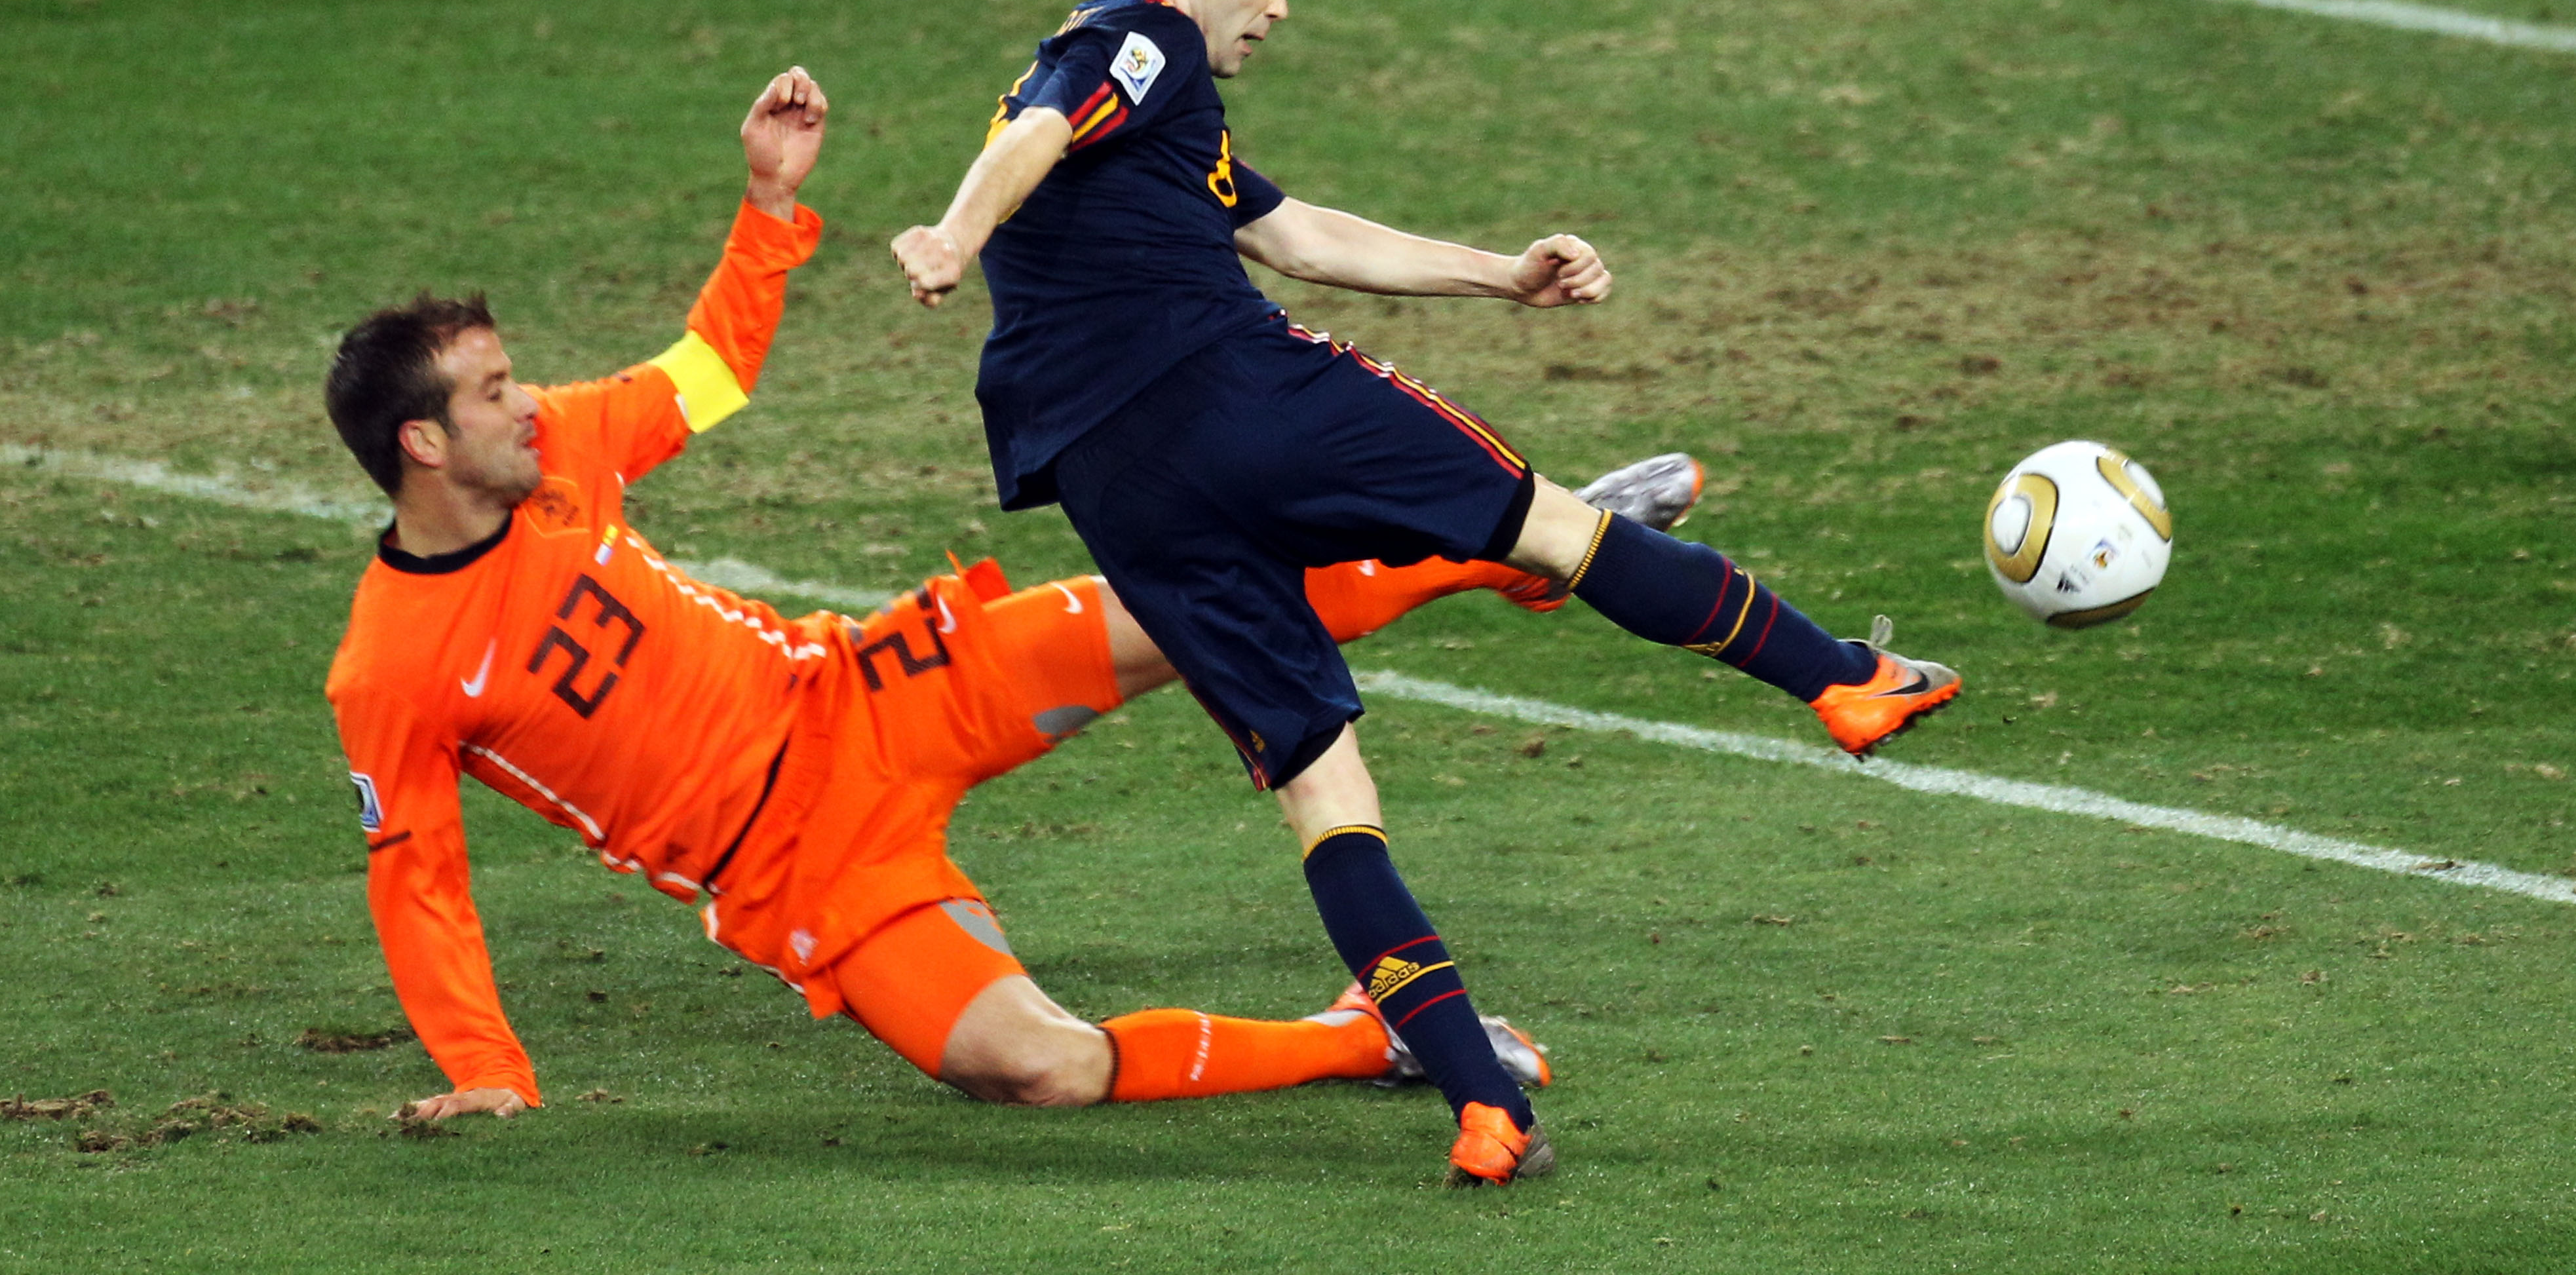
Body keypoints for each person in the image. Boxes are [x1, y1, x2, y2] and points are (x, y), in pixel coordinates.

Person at [321, 67, 1700, 1124]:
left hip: (867, 691)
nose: (526, 405)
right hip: (804, 872)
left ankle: (1517, 541)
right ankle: (1366, 1034)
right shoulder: (388, 668)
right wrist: (489, 1070)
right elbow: (419, 879)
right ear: (423, 446)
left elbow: (706, 376)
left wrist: (769, 208)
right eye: (493, 393)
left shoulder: (562, 451)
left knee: (1189, 603)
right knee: (1033, 1068)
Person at [888, 0, 1965, 1185]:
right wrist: (950, 235)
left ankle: (1481, 1106)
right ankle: (1842, 679)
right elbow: (1034, 134)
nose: (1279, 6)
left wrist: (1497, 277)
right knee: (1550, 530)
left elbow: (1296, 234)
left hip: (1119, 484)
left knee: (1323, 791)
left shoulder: (1152, 108)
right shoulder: (1139, 36)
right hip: (1235, 391)